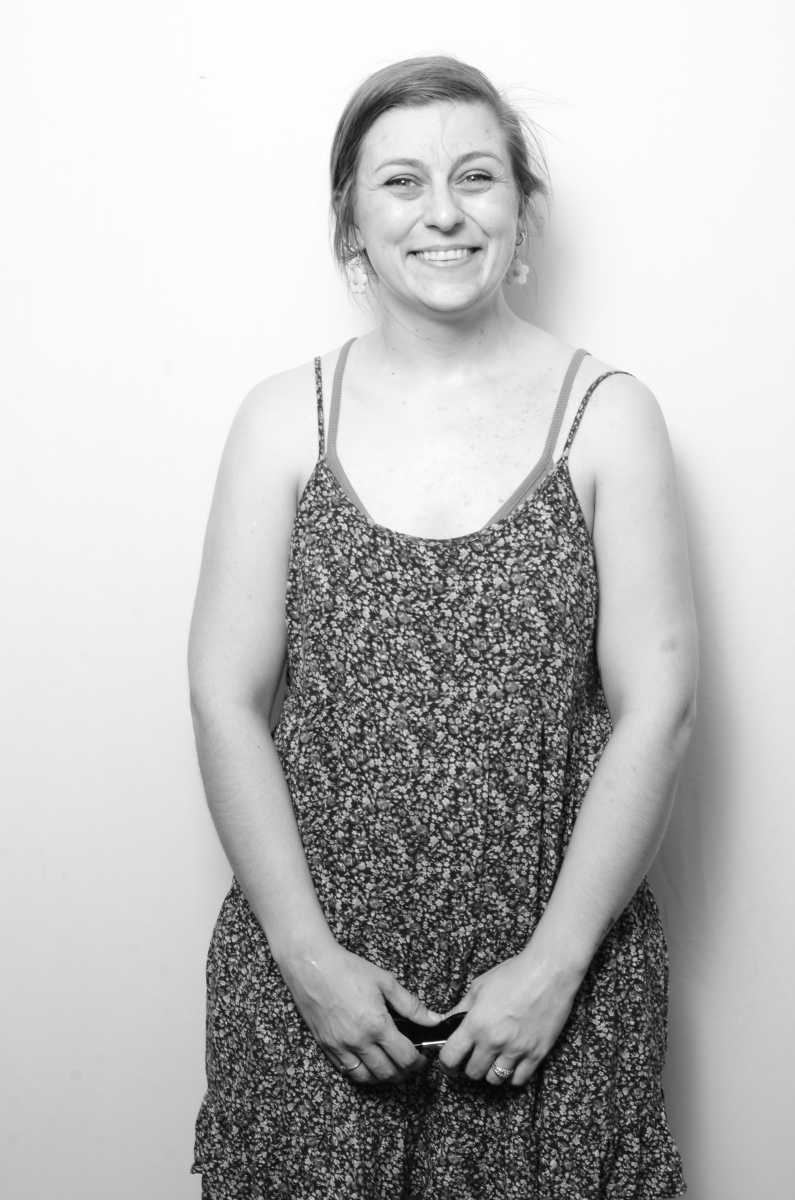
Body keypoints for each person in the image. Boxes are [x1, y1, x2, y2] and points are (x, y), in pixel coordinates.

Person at [188, 55, 697, 1200]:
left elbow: (658, 710)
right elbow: (224, 699)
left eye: (476, 176)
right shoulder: (281, 421)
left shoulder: (611, 418)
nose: (444, 212)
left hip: (558, 991)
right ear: (350, 222)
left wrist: (554, 969)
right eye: (402, 182)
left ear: (521, 210)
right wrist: (307, 961)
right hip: (317, 988)